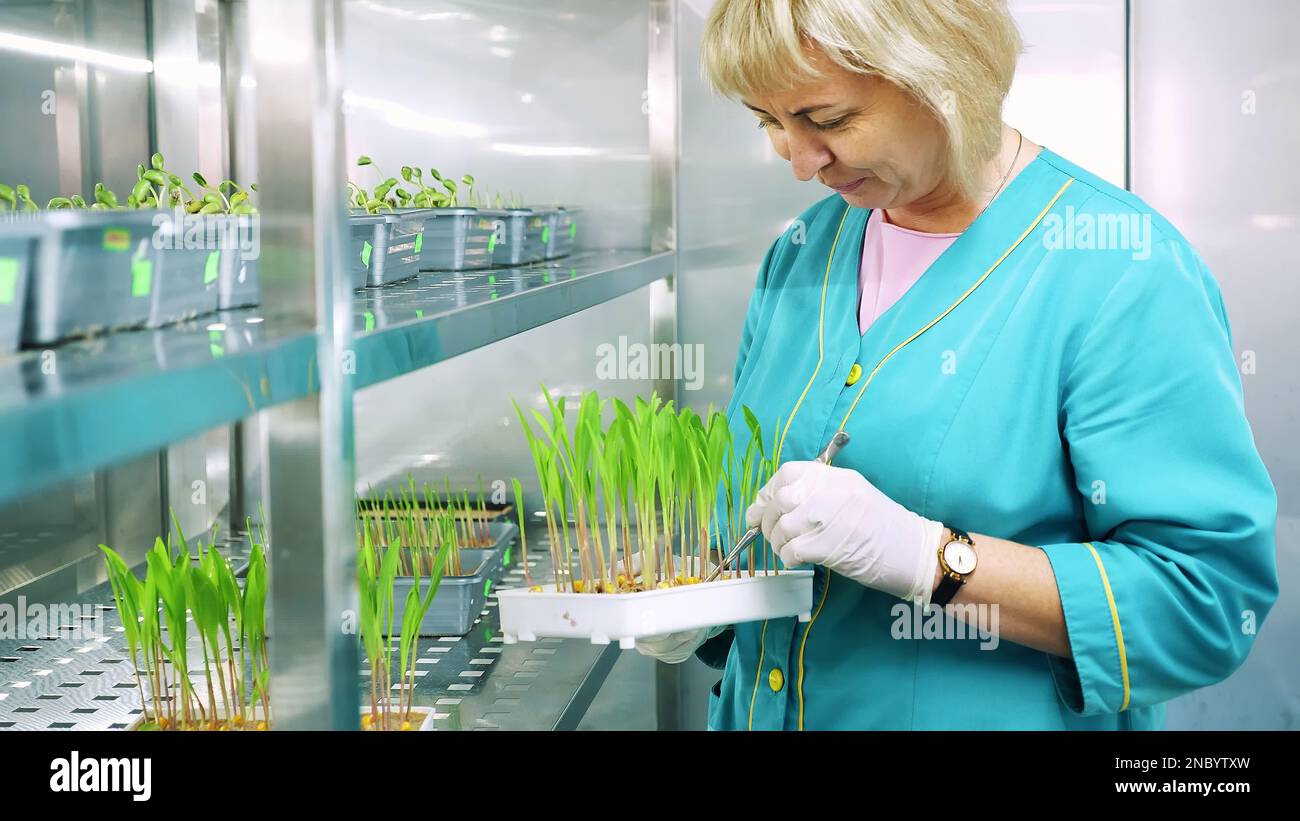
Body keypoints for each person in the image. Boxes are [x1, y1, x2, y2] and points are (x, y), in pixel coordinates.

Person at [636, 0, 1278, 730]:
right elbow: (750, 517)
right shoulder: (803, 252)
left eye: (830, 120)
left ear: (946, 76)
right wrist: (696, 599)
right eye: (769, 122)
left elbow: (1208, 603)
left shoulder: (1118, 271)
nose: (798, 161)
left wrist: (933, 561)